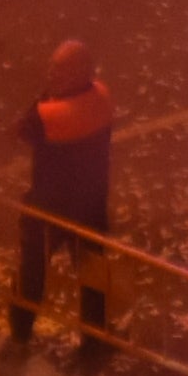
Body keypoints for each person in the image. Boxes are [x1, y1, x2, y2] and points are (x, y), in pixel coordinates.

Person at [19, 37, 123, 351]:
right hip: (90, 207)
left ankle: (20, 330)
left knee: (32, 272)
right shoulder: (102, 99)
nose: (51, 74)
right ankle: (95, 339)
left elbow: (24, 129)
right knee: (92, 276)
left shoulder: (46, 116)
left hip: (48, 209)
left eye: (59, 70)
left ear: (78, 75)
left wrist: (47, 96)